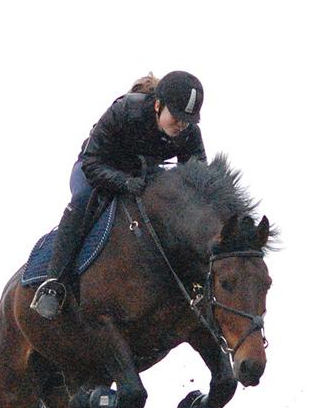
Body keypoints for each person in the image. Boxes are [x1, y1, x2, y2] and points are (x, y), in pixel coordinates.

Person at [30, 70, 208, 319]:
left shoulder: (189, 133)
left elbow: (197, 181)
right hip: (95, 169)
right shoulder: (126, 111)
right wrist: (123, 183)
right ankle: (53, 284)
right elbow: (92, 162)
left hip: (141, 176)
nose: (181, 124)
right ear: (158, 105)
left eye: (187, 120)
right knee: (82, 201)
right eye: (176, 116)